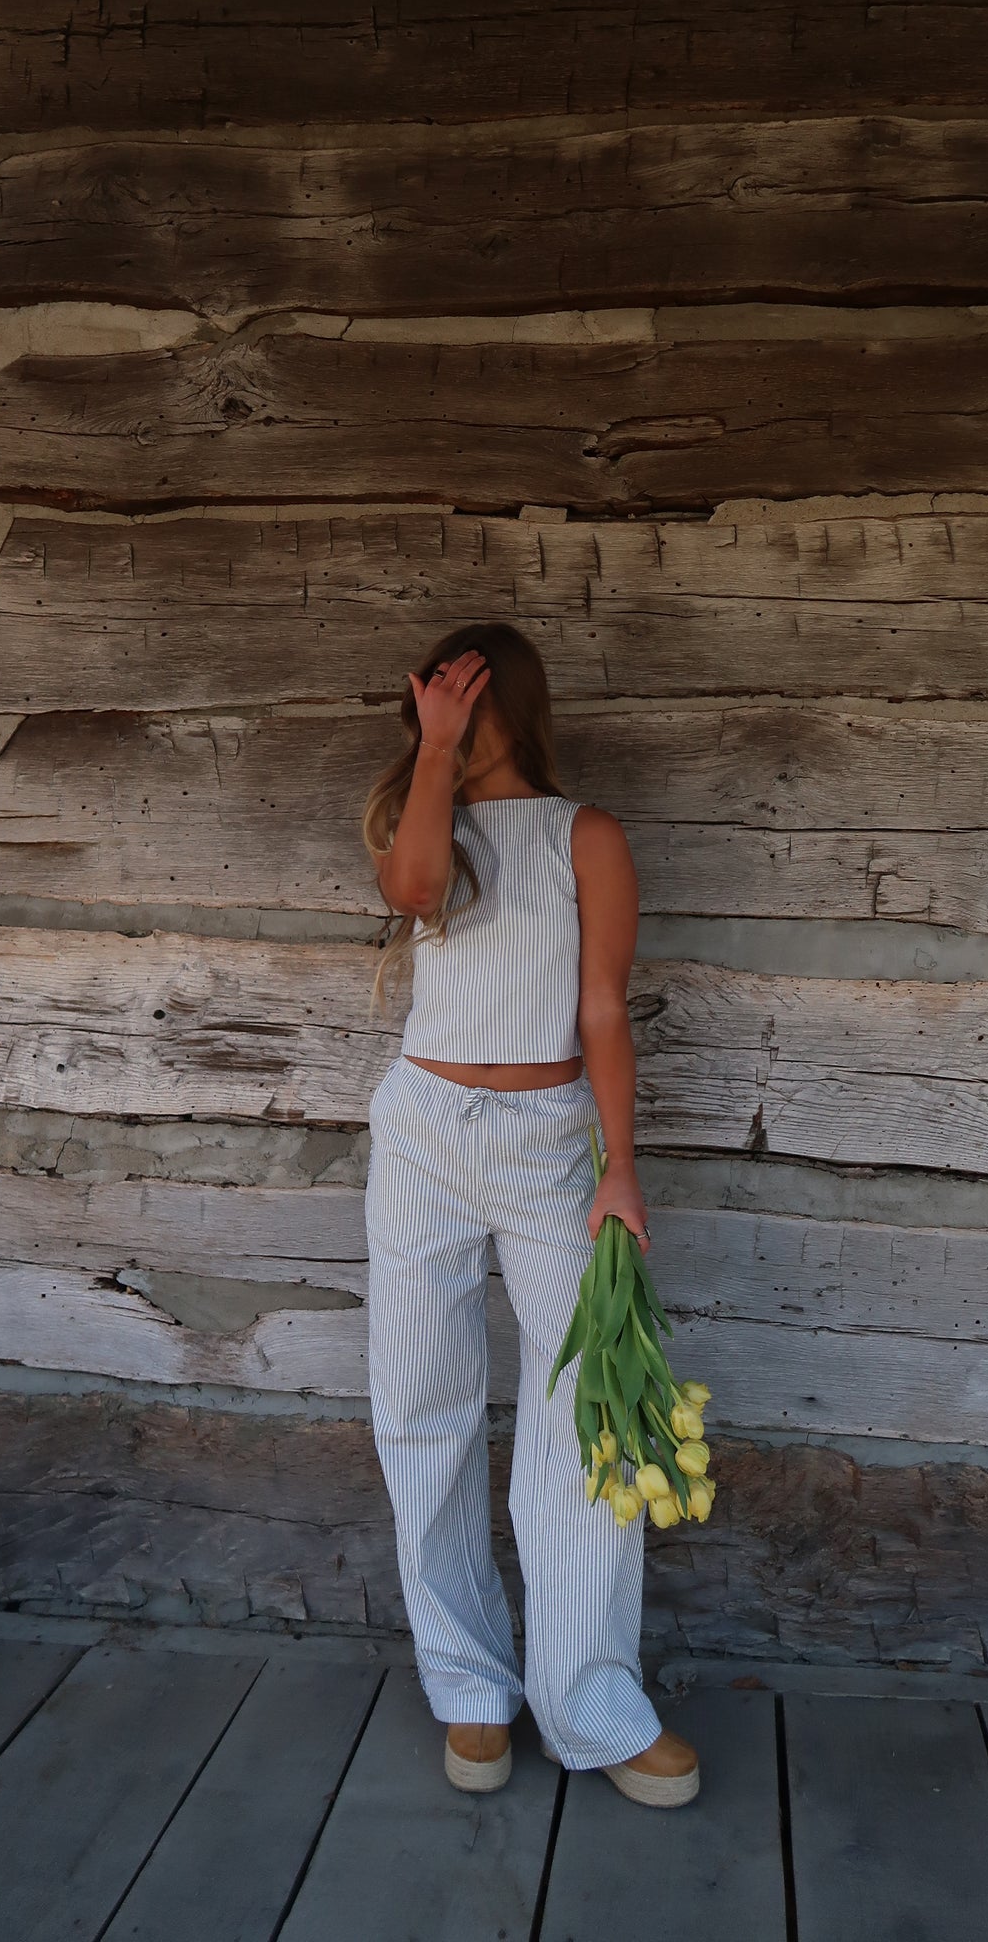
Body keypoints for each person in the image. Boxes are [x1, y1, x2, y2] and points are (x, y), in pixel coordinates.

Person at [361, 620, 700, 1807]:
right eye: (432, 691)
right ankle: (468, 1686)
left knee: (579, 1420)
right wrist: (436, 752)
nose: (445, 705)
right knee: (422, 1404)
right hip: (421, 1136)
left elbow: (601, 1009)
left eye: (466, 689)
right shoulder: (430, 826)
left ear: (520, 697)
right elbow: (411, 892)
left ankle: (593, 1702)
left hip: (551, 1141)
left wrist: (620, 1164)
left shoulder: (583, 835)